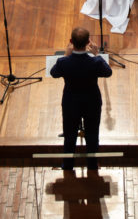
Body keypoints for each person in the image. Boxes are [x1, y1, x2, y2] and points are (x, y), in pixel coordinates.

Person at [50, 27, 112, 171]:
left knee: (70, 134)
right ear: (88, 42)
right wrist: (97, 54)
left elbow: (54, 73)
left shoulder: (63, 62)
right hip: (92, 102)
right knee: (92, 134)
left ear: (71, 42)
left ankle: (67, 165)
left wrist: (66, 55)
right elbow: (108, 72)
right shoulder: (95, 62)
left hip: (71, 103)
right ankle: (92, 165)